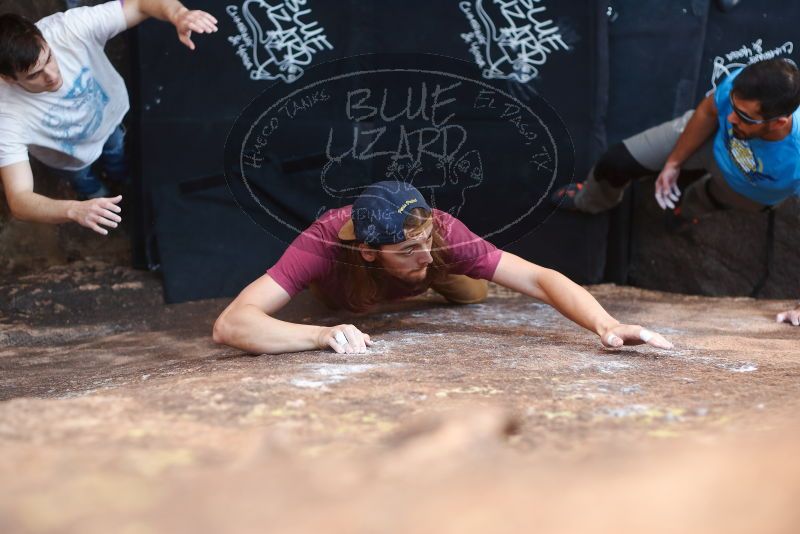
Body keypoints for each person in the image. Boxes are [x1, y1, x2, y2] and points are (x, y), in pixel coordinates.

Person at [213, 181, 674, 355]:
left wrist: (607, 325)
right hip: (351, 295)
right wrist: (317, 335)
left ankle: (449, 282)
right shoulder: (324, 242)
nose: (426, 253)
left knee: (473, 291)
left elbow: (537, 276)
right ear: (369, 250)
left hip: (444, 284)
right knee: (348, 304)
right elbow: (231, 324)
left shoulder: (442, 235)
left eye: (427, 239)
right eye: (409, 248)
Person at [550, 58, 800, 327]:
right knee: (616, 161)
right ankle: (591, 201)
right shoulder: (745, 87)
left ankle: (685, 213)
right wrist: (673, 163)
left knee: (700, 201)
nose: (732, 116)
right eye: (734, 106)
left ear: (779, 123)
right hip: (711, 141)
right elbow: (708, 111)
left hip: (748, 188)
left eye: (744, 116)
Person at [0, 0, 217, 235]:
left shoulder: (68, 28)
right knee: (83, 179)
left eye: (49, 58)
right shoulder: (6, 116)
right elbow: (20, 200)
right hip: (71, 159)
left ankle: (120, 175)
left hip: (111, 120)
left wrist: (179, 13)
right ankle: (95, 194)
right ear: (9, 78)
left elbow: (141, 4)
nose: (52, 75)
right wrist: (74, 210)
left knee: (117, 152)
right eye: (35, 75)